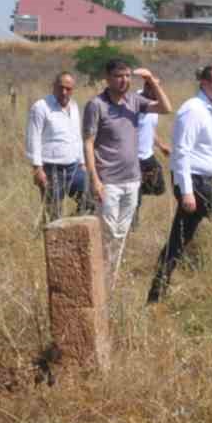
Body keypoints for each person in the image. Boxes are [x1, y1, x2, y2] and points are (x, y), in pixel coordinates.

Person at [147, 66, 212, 303]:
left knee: (178, 242)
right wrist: (187, 192)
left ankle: (155, 297)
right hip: (194, 182)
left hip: (203, 181)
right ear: (204, 82)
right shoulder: (192, 110)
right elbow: (181, 153)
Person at [81, 61, 172, 282]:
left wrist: (151, 80)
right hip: (108, 181)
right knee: (108, 231)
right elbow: (88, 143)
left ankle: (109, 279)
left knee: (121, 233)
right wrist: (95, 180)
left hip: (132, 179)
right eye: (119, 76)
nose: (124, 81)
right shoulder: (96, 105)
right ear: (108, 78)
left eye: (128, 76)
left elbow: (166, 108)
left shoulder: (134, 101)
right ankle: (98, 276)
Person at [26, 72, 88, 221]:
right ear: (53, 87)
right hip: (51, 168)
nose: (64, 92)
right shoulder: (41, 107)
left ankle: (71, 225)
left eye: (68, 88)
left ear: (73, 89)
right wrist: (37, 168)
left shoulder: (73, 107)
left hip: (74, 167)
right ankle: (56, 235)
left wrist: (82, 162)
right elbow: (33, 137)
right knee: (54, 213)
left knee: (90, 200)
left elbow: (77, 137)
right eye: (61, 88)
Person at [134, 78, 171, 222]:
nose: (158, 93)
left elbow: (150, 129)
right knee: (135, 199)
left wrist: (161, 146)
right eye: (155, 89)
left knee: (159, 187)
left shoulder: (155, 103)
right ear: (147, 88)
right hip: (134, 157)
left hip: (147, 155)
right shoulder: (136, 102)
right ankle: (132, 224)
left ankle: (135, 190)